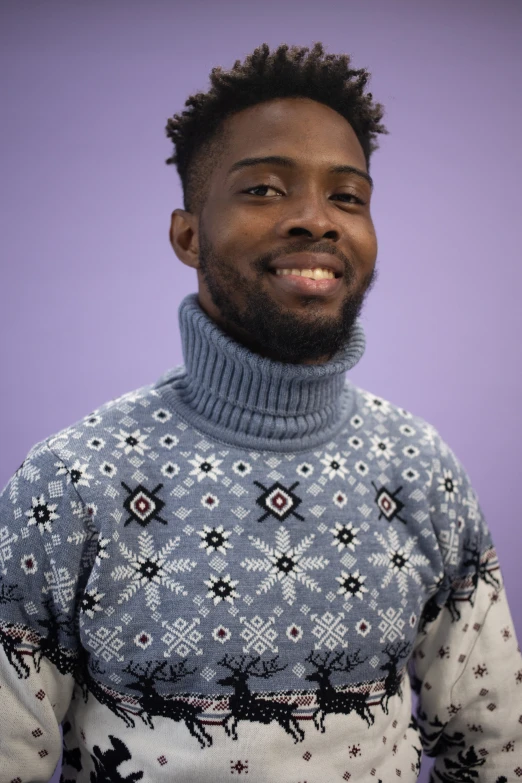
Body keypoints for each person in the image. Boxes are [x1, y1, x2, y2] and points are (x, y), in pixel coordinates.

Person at [0, 42, 520, 783]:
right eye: (266, 189)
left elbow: (495, 746)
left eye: (348, 196)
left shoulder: (420, 467)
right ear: (187, 235)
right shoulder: (72, 479)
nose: (318, 219)